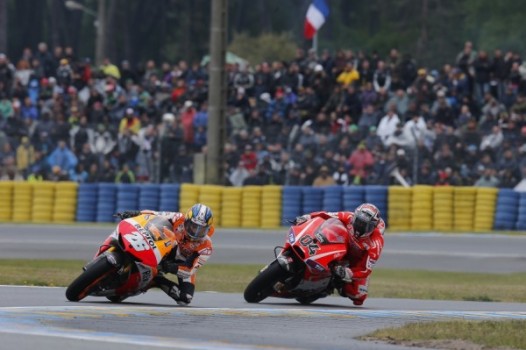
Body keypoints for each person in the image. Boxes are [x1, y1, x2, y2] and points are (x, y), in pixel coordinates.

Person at [115, 203, 214, 306]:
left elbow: (190, 269)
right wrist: (136, 214)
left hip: (181, 264)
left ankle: (156, 280)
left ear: (207, 229)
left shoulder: (207, 247)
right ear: (187, 221)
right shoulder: (178, 218)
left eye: (201, 229)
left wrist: (171, 268)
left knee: (185, 298)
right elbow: (156, 214)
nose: (196, 232)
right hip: (167, 246)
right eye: (193, 226)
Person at [294, 203, 385, 306]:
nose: (359, 227)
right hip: (340, 247)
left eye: (365, 226)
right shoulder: (348, 216)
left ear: (373, 227)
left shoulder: (376, 243)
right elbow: (326, 215)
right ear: (354, 217)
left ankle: (331, 286)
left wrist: (349, 273)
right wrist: (308, 217)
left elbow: (365, 269)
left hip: (354, 264)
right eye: (358, 222)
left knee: (358, 297)